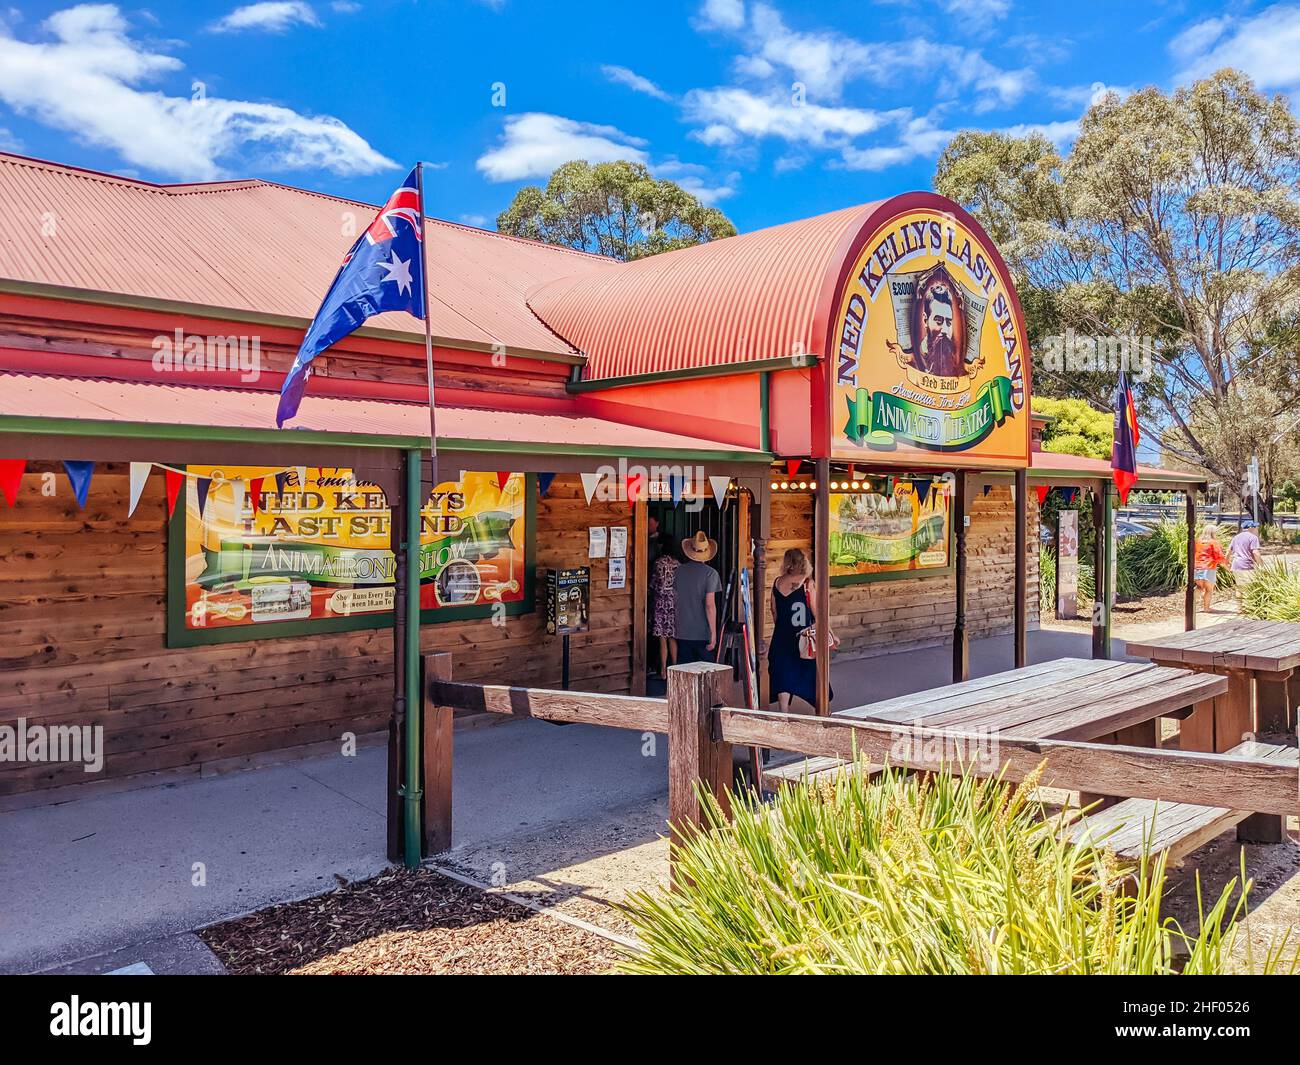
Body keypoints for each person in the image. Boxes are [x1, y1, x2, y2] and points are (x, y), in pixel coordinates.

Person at [767, 548, 835, 712]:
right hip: (804, 638)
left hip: (782, 636)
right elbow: (818, 612)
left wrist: (782, 626)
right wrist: (831, 633)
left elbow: (774, 610)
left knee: (782, 672)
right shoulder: (807, 584)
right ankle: (822, 709)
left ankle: (784, 711)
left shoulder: (777, 582)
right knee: (812, 674)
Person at [674, 530, 722, 664]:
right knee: (705, 675)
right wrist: (713, 633)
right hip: (702, 632)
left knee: (685, 674)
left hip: (682, 629)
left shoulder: (678, 572)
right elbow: (709, 605)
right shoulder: (711, 574)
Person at [648, 533, 679, 677]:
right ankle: (675, 668)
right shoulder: (678, 564)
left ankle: (662, 671)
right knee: (672, 637)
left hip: (660, 602)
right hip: (673, 603)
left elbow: (652, 584)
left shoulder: (658, 563)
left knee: (662, 638)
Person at [1194, 524, 1228, 612]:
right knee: (1209, 590)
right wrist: (1227, 567)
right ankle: (1206, 608)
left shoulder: (1197, 541)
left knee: (1199, 587)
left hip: (1197, 567)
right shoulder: (1214, 542)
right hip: (1209, 567)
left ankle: (1191, 607)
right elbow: (1219, 556)